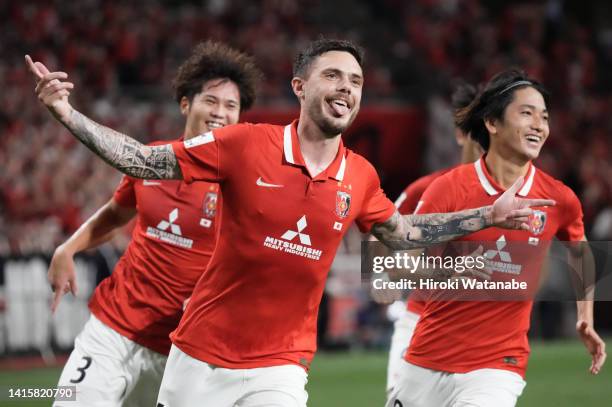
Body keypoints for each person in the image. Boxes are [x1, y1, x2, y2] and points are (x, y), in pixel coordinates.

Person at [27, 39, 553, 406]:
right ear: (300, 87)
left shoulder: (361, 176)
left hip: (281, 364)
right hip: (196, 355)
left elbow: (402, 234)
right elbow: (144, 162)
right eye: (333, 75)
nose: (346, 87)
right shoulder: (244, 143)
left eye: (356, 80)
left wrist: (486, 214)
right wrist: (67, 112)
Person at [32, 41, 262, 407]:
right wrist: (69, 247)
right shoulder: (153, 160)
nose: (220, 112)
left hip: (182, 351)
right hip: (113, 330)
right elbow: (116, 212)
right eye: (211, 101)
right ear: (186, 103)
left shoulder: (244, 184)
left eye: (231, 106)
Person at [387, 68, 607, 407]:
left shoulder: (559, 198)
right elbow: (397, 264)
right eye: (526, 113)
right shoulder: (446, 188)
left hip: (499, 366)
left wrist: (585, 317)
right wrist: (448, 273)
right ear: (492, 123)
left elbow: (580, 251)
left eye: (544, 117)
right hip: (427, 355)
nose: (539, 124)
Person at [384, 83, 483, 397]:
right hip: (420, 321)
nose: (486, 143)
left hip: (482, 333)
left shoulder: (515, 204)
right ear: (459, 134)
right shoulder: (424, 190)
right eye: (476, 131)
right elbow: (387, 258)